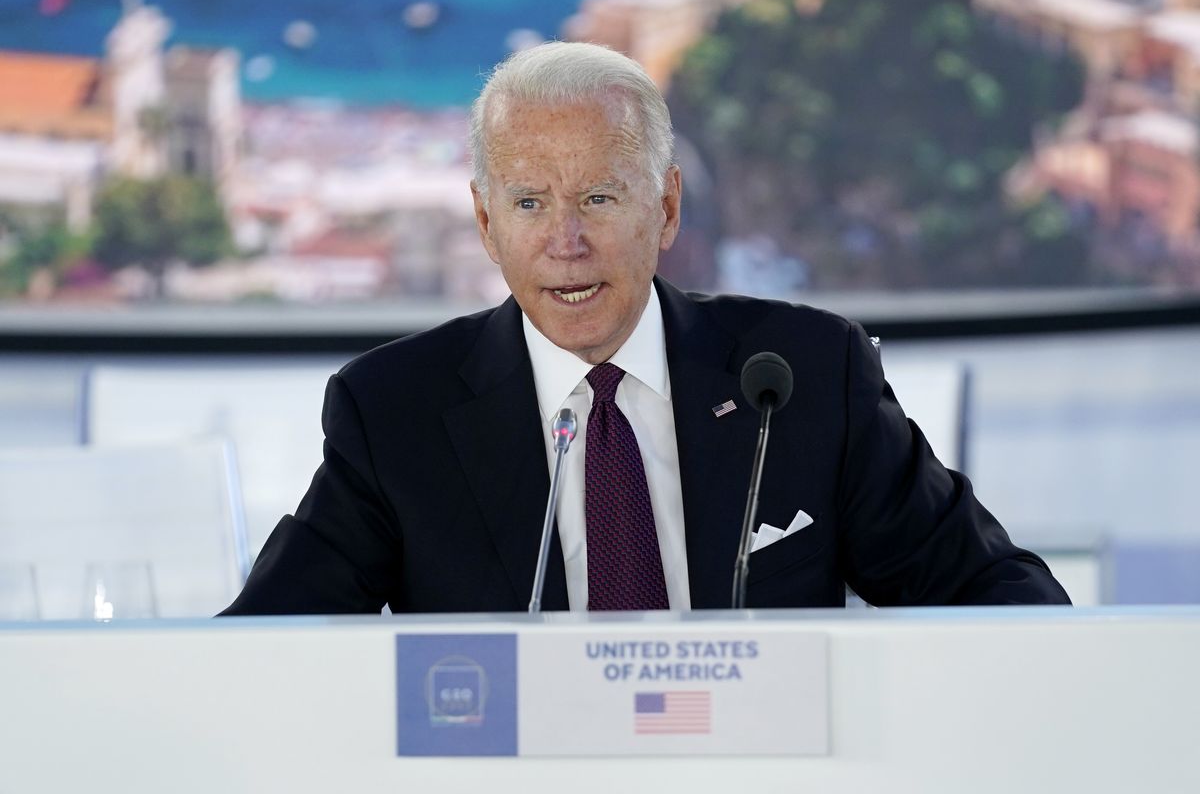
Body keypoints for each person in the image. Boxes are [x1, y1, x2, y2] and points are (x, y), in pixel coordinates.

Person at [221, 42, 1069, 616]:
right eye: (528, 203)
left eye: (598, 198)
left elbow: (1000, 595)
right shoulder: (393, 411)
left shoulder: (803, 375)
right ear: (485, 224)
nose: (566, 242)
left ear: (663, 208)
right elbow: (272, 647)